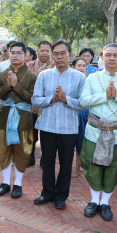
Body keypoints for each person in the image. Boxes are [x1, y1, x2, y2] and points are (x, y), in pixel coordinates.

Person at [32, 40, 86, 210]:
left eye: (63, 53)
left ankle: (61, 196)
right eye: (56, 53)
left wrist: (65, 99)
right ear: (52, 56)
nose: (59, 57)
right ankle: (47, 193)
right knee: (47, 162)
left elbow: (83, 103)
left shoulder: (79, 77)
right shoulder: (44, 75)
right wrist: (52, 99)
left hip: (68, 128)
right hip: (47, 127)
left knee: (65, 163)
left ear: (70, 55)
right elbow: (35, 99)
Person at [79, 43, 117, 221]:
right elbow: (83, 101)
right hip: (94, 133)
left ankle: (105, 203)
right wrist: (105, 95)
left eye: (116, 55)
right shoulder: (92, 78)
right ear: (102, 58)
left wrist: (116, 96)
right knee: (92, 167)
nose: (112, 58)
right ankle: (94, 201)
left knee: (114, 169)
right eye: (108, 55)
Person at [0, 42, 37, 198]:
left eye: (19, 52)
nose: (15, 55)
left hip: (23, 120)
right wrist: (7, 86)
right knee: (2, 150)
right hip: (4, 118)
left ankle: (17, 183)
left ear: (25, 55)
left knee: (22, 151)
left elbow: (33, 99)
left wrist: (16, 86)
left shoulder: (32, 76)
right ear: (8, 55)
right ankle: (5, 182)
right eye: (13, 52)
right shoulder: (2, 74)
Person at [27, 41, 55, 167]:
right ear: (37, 51)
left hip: (49, 107)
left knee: (47, 135)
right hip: (31, 106)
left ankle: (45, 158)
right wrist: (36, 75)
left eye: (47, 50)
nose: (44, 53)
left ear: (51, 52)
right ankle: (30, 156)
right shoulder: (29, 65)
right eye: (42, 50)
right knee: (30, 132)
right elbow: (23, 83)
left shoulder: (56, 66)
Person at [71, 57, 88, 178]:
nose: (82, 68)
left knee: (80, 143)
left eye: (83, 66)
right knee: (68, 143)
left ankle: (77, 168)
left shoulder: (90, 81)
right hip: (71, 115)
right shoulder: (69, 81)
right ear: (73, 67)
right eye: (79, 65)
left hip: (85, 116)